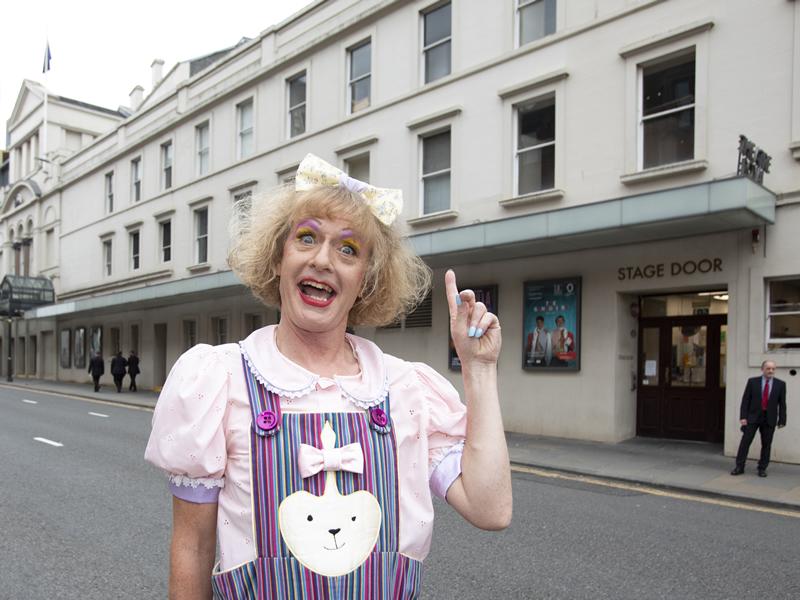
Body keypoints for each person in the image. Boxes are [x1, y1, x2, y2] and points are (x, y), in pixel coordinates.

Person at [145, 154, 512, 599]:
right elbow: (193, 547)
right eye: (306, 238)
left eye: (348, 249)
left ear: (366, 281)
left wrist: (479, 369)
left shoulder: (406, 389)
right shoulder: (220, 379)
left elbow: (491, 509)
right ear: (277, 258)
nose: (323, 260)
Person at [731, 360, 787, 477]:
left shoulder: (780, 384)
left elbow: (782, 404)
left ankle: (762, 468)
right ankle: (739, 466)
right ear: (762, 369)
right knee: (745, 442)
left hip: (769, 419)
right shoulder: (752, 382)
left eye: (773, 369)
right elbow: (745, 400)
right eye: (768, 368)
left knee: (766, 444)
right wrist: (743, 417)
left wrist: (782, 420)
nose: (771, 371)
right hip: (753, 417)